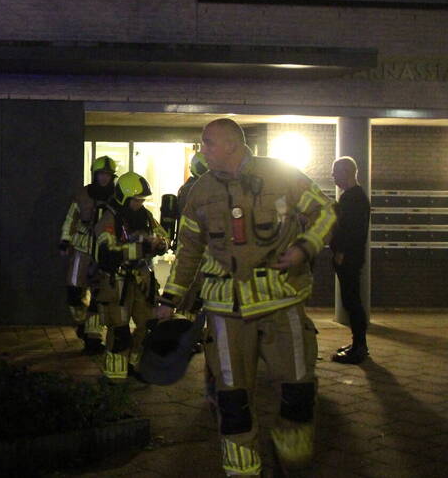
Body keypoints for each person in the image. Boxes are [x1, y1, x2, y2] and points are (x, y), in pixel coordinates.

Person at [156, 119, 336, 476]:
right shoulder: (200, 192)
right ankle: (243, 470)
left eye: (207, 143)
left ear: (230, 144)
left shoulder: (281, 174)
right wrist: (168, 300)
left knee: (299, 392)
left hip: (281, 303)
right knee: (232, 401)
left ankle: (291, 460)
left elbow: (326, 212)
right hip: (225, 312)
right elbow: (189, 250)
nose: (202, 149)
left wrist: (304, 248)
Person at [93, 171, 169, 381]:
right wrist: (142, 247)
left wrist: (160, 243)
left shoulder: (145, 215)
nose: (140, 203)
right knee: (120, 332)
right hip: (117, 282)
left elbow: (162, 235)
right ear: (125, 197)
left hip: (142, 279)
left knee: (148, 325)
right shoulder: (109, 217)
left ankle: (136, 365)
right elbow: (108, 250)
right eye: (137, 200)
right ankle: (115, 377)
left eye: (142, 200)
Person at [58, 155, 118, 352]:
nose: (104, 178)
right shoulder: (83, 194)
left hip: (104, 249)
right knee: (74, 291)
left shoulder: (118, 197)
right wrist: (65, 240)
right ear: (95, 174)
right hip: (82, 247)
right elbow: (70, 218)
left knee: (99, 295)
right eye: (101, 174)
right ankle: (82, 323)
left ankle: (93, 338)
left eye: (107, 175)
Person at [330, 156, 372, 364]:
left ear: (345, 172)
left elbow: (352, 231)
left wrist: (341, 252)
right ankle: (358, 343)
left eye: (335, 172)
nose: (332, 177)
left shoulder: (353, 198)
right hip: (351, 257)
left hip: (349, 258)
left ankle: (359, 347)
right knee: (351, 301)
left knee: (352, 302)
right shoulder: (354, 197)